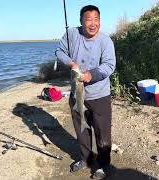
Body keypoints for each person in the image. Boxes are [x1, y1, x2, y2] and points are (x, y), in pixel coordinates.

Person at [55, 5, 116, 179]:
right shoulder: (72, 34)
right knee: (81, 128)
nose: (92, 24)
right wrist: (71, 63)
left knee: (102, 132)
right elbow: (59, 51)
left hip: (100, 95)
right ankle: (87, 159)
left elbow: (109, 65)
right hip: (77, 93)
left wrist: (91, 75)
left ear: (100, 21)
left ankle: (104, 164)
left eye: (96, 20)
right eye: (88, 20)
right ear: (81, 21)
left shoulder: (106, 41)